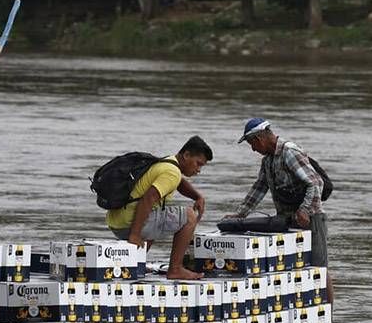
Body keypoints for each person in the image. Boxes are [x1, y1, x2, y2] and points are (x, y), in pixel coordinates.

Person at [223, 118, 333, 302]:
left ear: (259, 139)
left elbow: (315, 183)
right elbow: (259, 188)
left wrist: (305, 210)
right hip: (287, 219)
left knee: (319, 268)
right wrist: (240, 214)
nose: (253, 149)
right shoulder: (268, 161)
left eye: (252, 144)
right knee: (294, 267)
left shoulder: (289, 152)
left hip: (311, 219)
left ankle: (328, 316)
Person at [106, 136, 213, 280]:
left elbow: (179, 183)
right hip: (129, 226)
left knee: (160, 216)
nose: (198, 170)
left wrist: (197, 196)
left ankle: (137, 263)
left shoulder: (168, 162)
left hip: (117, 222)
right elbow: (148, 199)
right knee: (189, 216)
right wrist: (135, 235)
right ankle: (175, 269)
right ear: (186, 155)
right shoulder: (171, 172)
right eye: (198, 164)